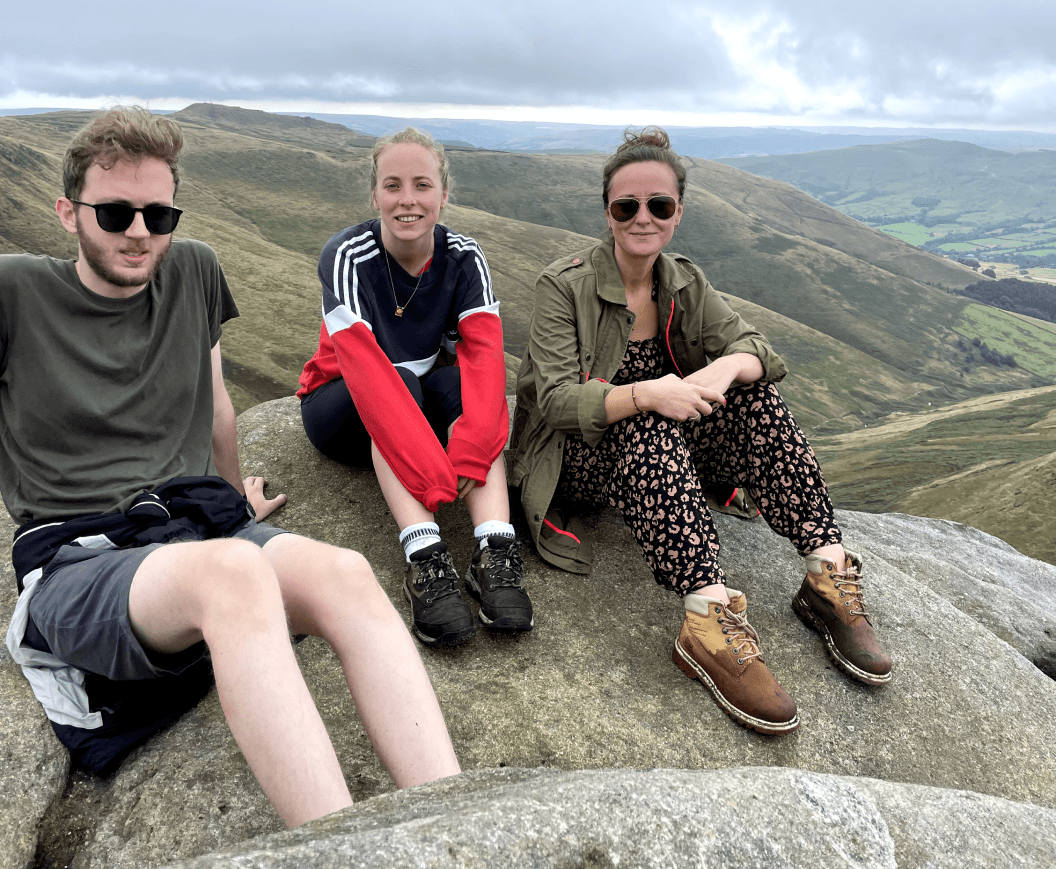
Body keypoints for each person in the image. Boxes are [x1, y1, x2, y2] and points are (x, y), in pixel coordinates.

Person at [1, 107, 460, 828]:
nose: (140, 231)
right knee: (235, 574)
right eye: (116, 211)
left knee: (345, 571)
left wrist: (232, 503)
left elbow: (217, 405)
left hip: (187, 532)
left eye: (159, 213)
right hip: (77, 559)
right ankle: (336, 845)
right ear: (68, 212)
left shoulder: (193, 269)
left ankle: (452, 824)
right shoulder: (16, 291)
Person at [510, 126, 892, 735]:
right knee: (649, 424)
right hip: (577, 457)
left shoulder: (682, 281)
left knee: (757, 400)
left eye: (658, 205)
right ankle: (705, 619)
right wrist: (650, 392)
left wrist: (717, 372)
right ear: (607, 212)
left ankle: (826, 572)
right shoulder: (564, 285)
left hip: (662, 453)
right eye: (626, 205)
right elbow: (555, 402)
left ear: (677, 212)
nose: (642, 217)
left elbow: (759, 351)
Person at [299, 127, 532, 648]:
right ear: (375, 194)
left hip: (417, 404)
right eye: (393, 185)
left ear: (443, 196)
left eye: (422, 185)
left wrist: (471, 451)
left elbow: (486, 364)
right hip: (343, 406)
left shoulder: (465, 257)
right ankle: (425, 557)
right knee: (399, 378)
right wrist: (433, 472)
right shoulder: (346, 255)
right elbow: (367, 375)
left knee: (459, 386)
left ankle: (495, 550)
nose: (408, 200)